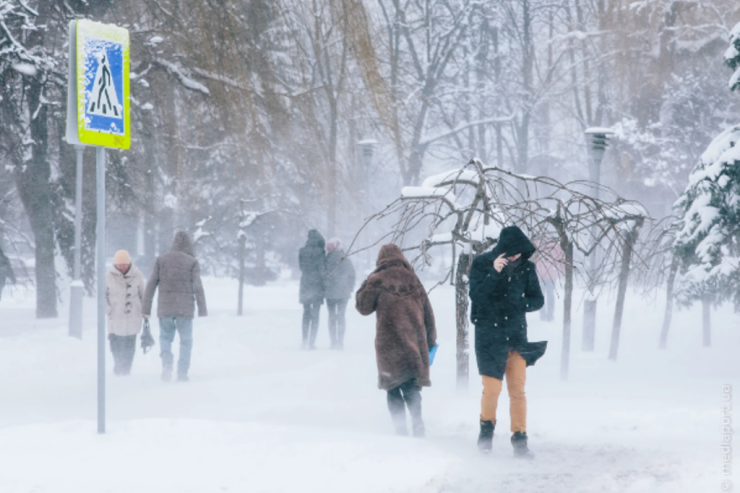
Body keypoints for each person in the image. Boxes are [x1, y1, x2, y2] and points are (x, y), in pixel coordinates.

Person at [469, 225, 546, 458]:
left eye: (519, 253)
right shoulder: (482, 264)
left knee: (517, 390)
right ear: (502, 250)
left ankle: (520, 440)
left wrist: (521, 304)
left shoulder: (527, 268)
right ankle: (485, 433)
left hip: (516, 336)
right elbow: (477, 297)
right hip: (489, 337)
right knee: (492, 389)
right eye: (512, 253)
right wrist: (494, 273)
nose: (515, 257)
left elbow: (538, 300)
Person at [356, 244, 437, 437]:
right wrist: (431, 340)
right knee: (411, 385)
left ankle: (400, 429)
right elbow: (428, 313)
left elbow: (363, 307)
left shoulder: (377, 280)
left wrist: (366, 282)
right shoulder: (414, 279)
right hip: (413, 343)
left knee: (392, 387)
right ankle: (417, 423)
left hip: (388, 345)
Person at [142, 231, 207, 382]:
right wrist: (202, 308)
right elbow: (198, 286)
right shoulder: (192, 262)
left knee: (165, 337)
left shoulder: (161, 260)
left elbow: (151, 284)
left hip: (165, 308)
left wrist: (146, 308)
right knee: (186, 341)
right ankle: (182, 372)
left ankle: (167, 362)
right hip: (184, 310)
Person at [105, 250, 146, 376]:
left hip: (133, 316)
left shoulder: (137, 274)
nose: (122, 267)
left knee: (129, 345)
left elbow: (143, 294)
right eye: (119, 264)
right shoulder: (108, 276)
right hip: (115, 316)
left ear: (129, 263)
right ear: (115, 264)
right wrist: (107, 308)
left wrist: (145, 312)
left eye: (124, 264)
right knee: (115, 344)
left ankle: (126, 369)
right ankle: (118, 367)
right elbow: (103, 295)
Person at [324, 238, 355, 350]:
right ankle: (340, 342)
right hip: (343, 293)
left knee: (332, 316)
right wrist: (350, 288)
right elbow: (352, 275)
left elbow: (323, 274)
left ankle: (333, 342)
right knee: (341, 316)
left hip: (330, 293)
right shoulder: (346, 259)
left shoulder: (326, 260)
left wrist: (325, 287)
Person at [299, 229, 326, 349]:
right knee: (315, 314)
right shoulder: (320, 252)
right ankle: (311, 342)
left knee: (306, 313)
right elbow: (322, 269)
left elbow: (301, 267)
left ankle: (304, 340)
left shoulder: (302, 251)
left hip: (305, 283)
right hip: (317, 285)